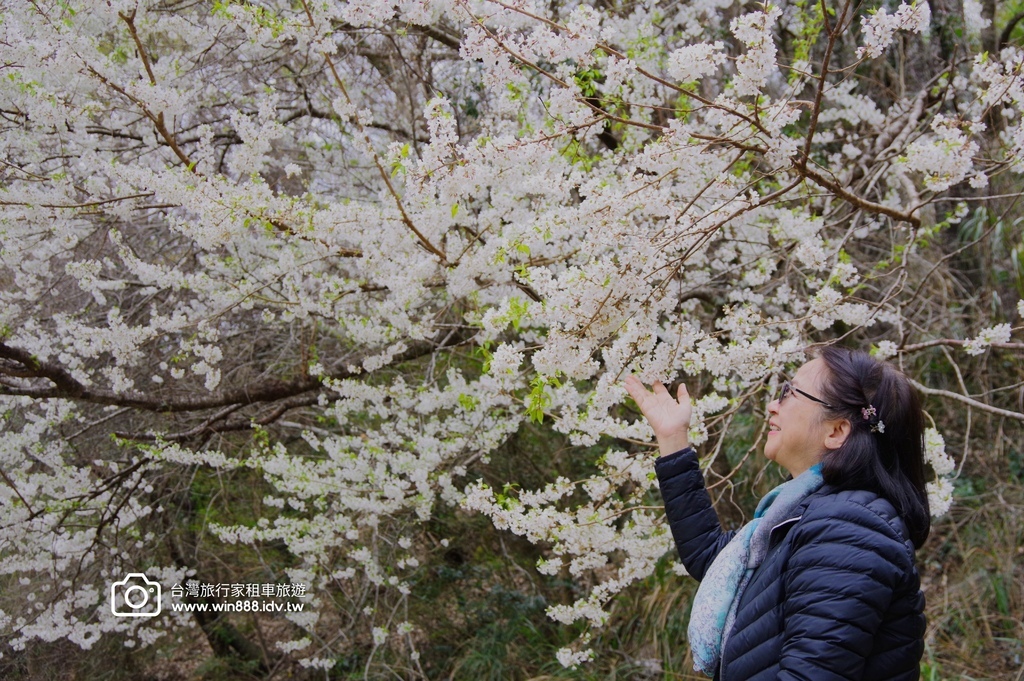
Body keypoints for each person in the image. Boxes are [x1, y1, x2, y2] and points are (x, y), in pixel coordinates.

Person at [624, 346, 930, 681]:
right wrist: (673, 440)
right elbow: (715, 557)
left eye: (789, 393)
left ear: (836, 432)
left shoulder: (848, 530)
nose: (772, 404)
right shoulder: (812, 514)